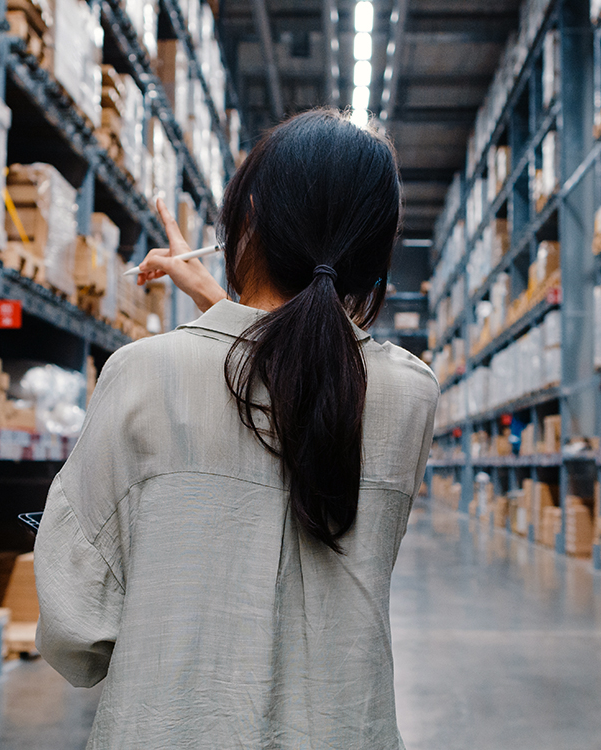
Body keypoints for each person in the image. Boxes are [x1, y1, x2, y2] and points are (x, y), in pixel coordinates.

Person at [34, 108, 439, 749]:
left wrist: (224, 308)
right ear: (378, 252)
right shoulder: (409, 394)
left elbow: (76, 627)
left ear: (246, 217)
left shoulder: (143, 375)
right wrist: (222, 306)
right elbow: (299, 380)